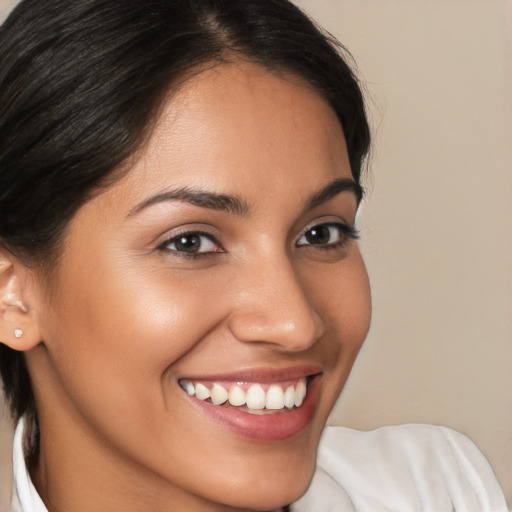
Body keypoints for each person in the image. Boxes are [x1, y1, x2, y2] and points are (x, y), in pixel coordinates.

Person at [0, 0, 507, 511]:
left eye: (321, 233)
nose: (295, 324)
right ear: (11, 293)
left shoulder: (438, 491)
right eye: (190, 243)